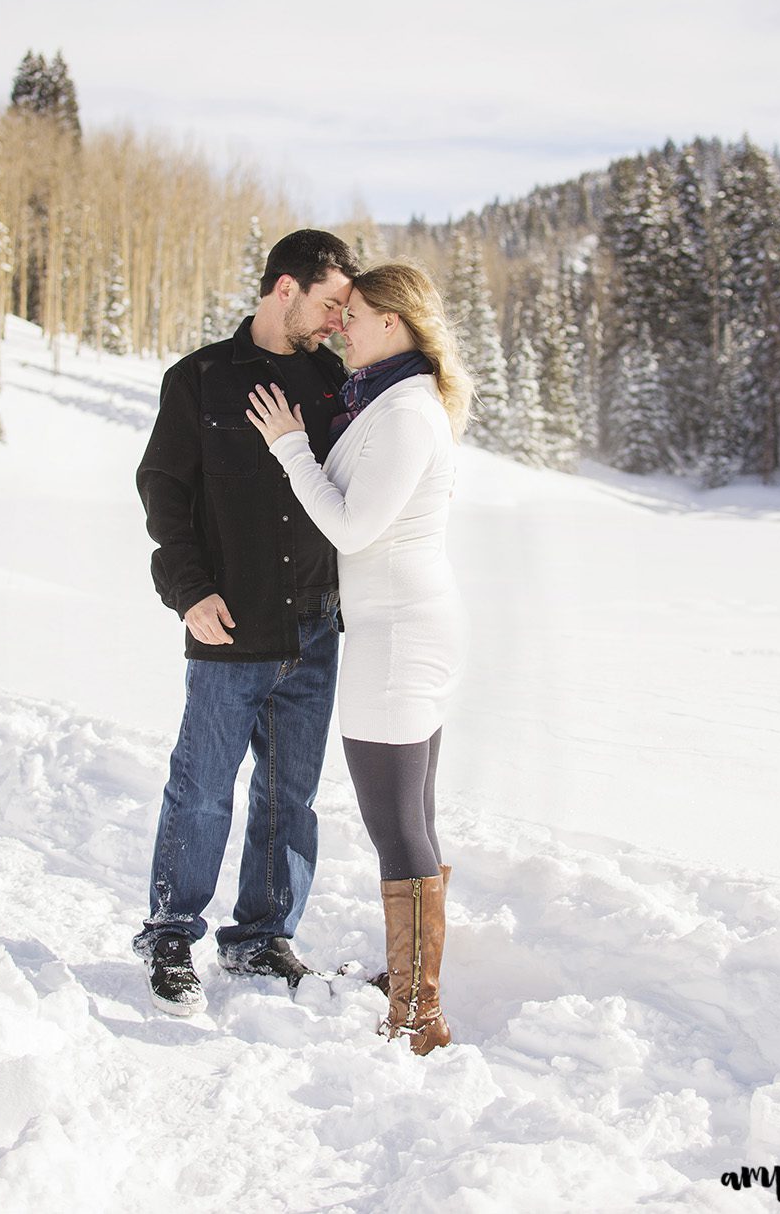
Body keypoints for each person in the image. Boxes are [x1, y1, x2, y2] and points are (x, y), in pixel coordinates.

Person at [247, 263, 472, 1055]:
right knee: (413, 818)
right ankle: (411, 987)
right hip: (401, 624)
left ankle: (417, 1014)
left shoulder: (406, 413)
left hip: (398, 636)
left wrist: (288, 448)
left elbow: (352, 527)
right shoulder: (386, 401)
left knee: (396, 825)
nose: (344, 324)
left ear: (397, 323)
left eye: (360, 313)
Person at [133, 228, 359, 1015]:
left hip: (317, 628)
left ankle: (262, 937)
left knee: (288, 797)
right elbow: (163, 491)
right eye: (331, 302)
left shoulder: (339, 386)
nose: (338, 320)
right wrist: (187, 591)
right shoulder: (200, 380)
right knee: (201, 788)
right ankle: (170, 936)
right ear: (284, 288)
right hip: (228, 623)